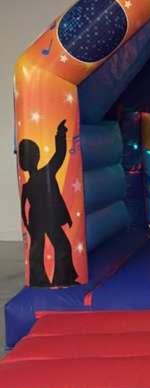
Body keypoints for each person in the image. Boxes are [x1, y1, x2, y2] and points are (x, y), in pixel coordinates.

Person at [19, 119, 78, 287]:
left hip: (44, 218)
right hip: (42, 219)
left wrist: (60, 134)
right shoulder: (39, 177)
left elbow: (59, 155)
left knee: (54, 247)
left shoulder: (43, 174)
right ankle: (52, 279)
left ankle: (57, 278)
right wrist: (27, 223)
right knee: (45, 249)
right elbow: (23, 207)